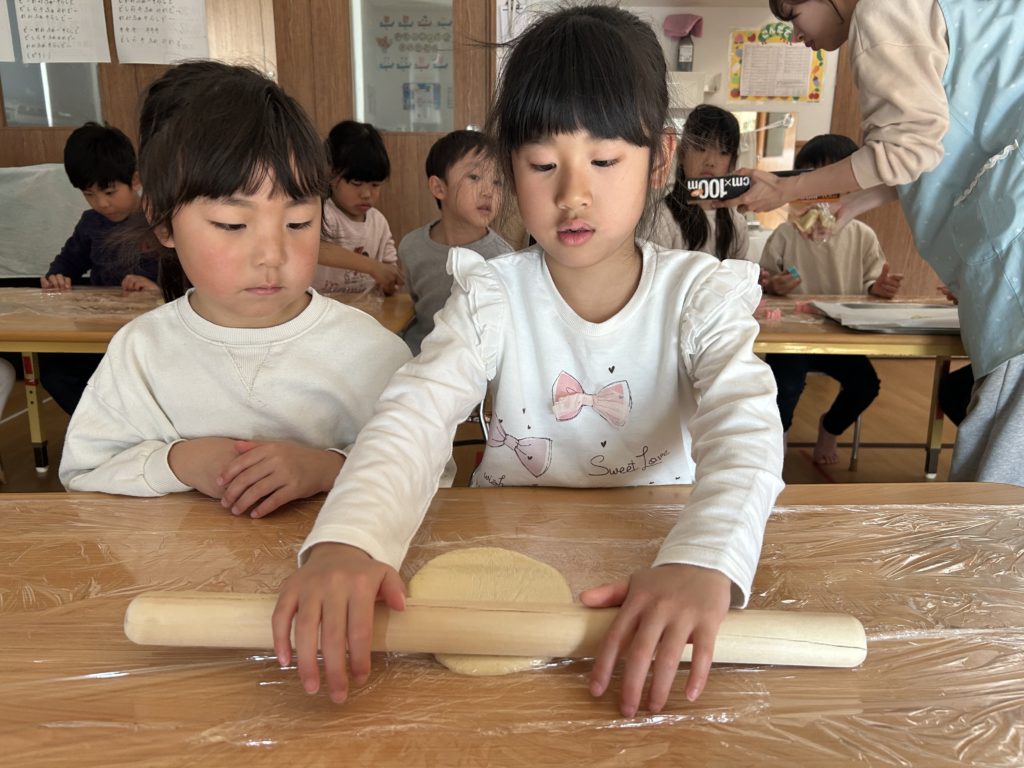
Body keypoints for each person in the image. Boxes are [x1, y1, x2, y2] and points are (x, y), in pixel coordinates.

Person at [273, 5, 784, 717]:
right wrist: (351, 540)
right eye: (543, 165)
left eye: (604, 161)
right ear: (511, 168)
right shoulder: (493, 294)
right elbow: (416, 414)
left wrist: (704, 558)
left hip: (659, 558)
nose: (572, 194)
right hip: (503, 564)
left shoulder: (699, 296)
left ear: (660, 158)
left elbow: (746, 431)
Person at [58, 62, 412, 519]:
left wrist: (331, 468)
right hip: (182, 563)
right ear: (163, 222)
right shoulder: (141, 351)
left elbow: (428, 469)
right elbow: (84, 473)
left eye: (298, 223)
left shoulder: (373, 353)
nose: (272, 255)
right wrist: (178, 462)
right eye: (232, 224)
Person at [732, 0, 1024, 485]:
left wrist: (787, 188)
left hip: (1014, 265)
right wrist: (849, 205)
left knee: (997, 491)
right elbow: (927, 151)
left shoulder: (880, 10)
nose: (796, 36)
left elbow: (906, 153)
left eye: (792, 14)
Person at [760, 134, 903, 464]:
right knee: (785, 387)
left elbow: (872, 282)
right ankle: (779, 437)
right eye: (813, 184)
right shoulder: (785, 235)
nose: (822, 198)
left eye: (833, 186)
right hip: (792, 339)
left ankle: (830, 427)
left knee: (866, 385)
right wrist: (772, 285)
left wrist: (878, 288)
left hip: (841, 339)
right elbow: (763, 282)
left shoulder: (862, 236)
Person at [39, 122, 160, 414]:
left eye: (109, 191)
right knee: (54, 371)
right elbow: (69, 262)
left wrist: (157, 289)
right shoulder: (90, 224)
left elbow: (186, 279)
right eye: (89, 194)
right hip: (97, 333)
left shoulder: (159, 221)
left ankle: (129, 423)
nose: (102, 203)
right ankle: (102, 424)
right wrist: (57, 277)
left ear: (135, 180)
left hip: (147, 334)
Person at [399, 129, 513, 355]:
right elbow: (411, 306)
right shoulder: (411, 247)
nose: (489, 191)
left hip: (470, 365)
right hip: (417, 355)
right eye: (475, 177)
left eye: (497, 182)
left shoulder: (503, 260)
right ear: (439, 188)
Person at [312, 120, 403, 296]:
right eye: (356, 183)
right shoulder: (325, 214)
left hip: (364, 309)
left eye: (375, 185)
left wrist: (390, 281)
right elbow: (317, 249)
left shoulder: (378, 222)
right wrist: (372, 266)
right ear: (330, 174)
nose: (366, 194)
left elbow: (388, 266)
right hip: (323, 308)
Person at [650, 105, 751, 262]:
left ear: (732, 163)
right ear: (682, 154)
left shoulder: (737, 222)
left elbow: (740, 271)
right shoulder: (662, 219)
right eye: (701, 148)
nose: (710, 161)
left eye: (723, 152)